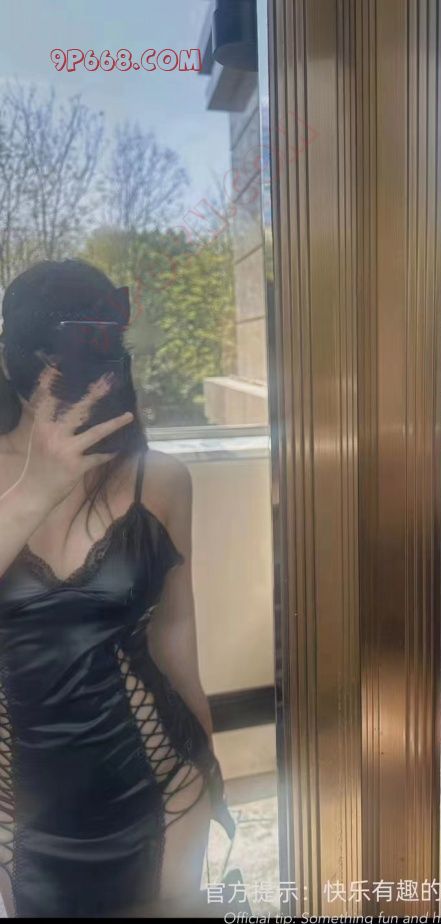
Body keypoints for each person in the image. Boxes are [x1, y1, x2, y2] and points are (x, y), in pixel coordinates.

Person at [0, 260, 236, 917]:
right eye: (54, 356)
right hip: (20, 814)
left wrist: (208, 760)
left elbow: (174, 632)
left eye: (100, 351)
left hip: (163, 788)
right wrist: (36, 489)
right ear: (15, 360)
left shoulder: (159, 479)